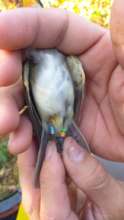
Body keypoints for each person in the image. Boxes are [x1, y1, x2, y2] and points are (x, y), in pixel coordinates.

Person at [0, 0, 124, 219]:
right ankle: (54, 147)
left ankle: (55, 148)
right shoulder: (29, 68)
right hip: (50, 121)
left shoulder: (72, 62)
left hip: (65, 119)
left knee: (49, 163)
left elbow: (78, 88)